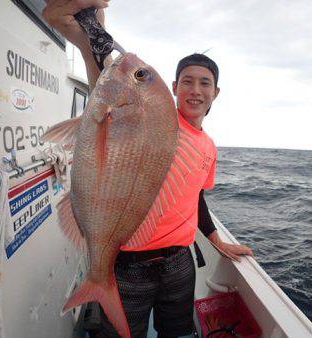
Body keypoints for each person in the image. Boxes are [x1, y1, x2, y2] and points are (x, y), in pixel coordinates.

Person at [43, 1, 254, 337]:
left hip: (180, 264)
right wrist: (92, 32)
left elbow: (196, 198)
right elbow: (106, 83)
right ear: (173, 88)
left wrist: (216, 240)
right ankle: (100, 283)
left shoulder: (209, 146)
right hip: (129, 265)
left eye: (204, 83)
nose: (195, 90)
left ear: (216, 93)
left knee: (177, 331)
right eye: (187, 81)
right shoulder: (148, 121)